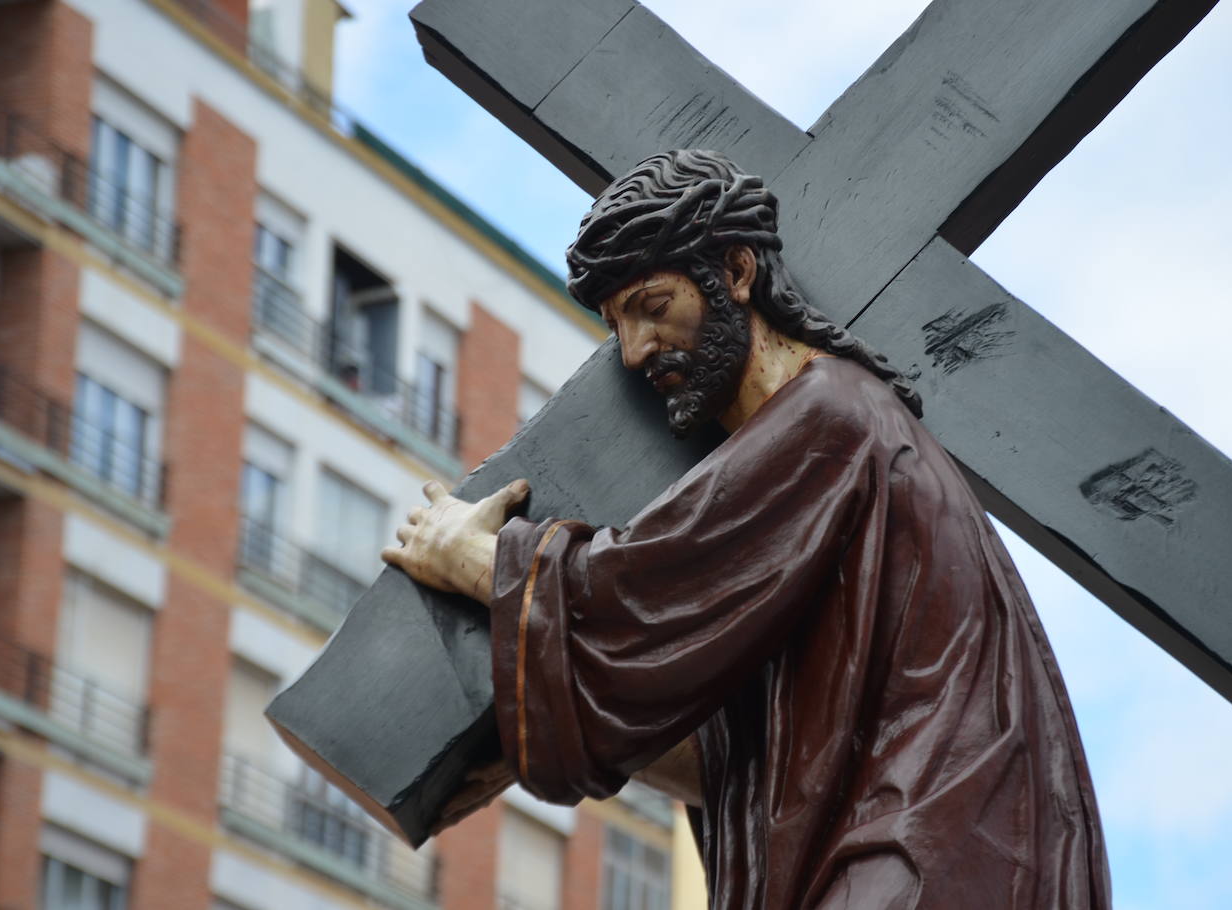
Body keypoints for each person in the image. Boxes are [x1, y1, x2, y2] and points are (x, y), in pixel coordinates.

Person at [381, 150, 1111, 909]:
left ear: (734, 272)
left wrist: (469, 555)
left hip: (928, 850)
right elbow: (737, 763)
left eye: (653, 307)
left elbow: (629, 592)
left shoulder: (831, 415)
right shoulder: (793, 500)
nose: (635, 353)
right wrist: (540, 699)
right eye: (617, 325)